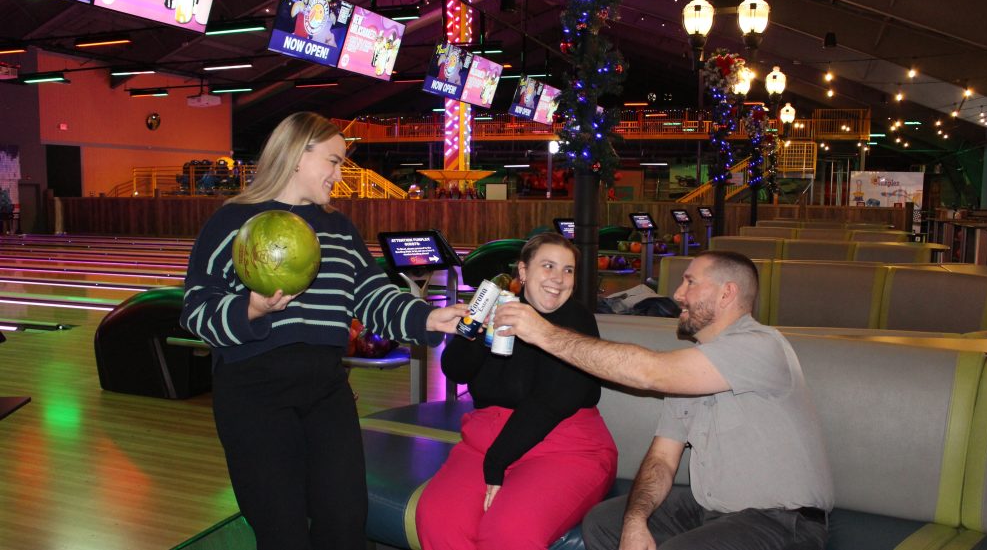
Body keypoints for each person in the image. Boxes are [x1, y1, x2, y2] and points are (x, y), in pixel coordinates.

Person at [180, 112, 468, 550]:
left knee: (346, 522)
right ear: (297, 155)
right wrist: (250, 308)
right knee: (283, 532)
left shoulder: (338, 228)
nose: (340, 174)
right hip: (254, 392)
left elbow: (372, 295)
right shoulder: (232, 223)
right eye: (333, 161)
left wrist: (426, 317)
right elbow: (195, 309)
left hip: (325, 390)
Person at [493, 250, 833, 550]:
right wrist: (635, 522)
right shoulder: (692, 368)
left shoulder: (760, 345)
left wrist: (542, 333)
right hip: (711, 512)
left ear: (727, 293)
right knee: (605, 522)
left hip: (782, 522)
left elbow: (647, 372)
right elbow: (662, 460)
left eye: (690, 282)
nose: (677, 294)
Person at [416, 233, 618, 550]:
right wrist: (476, 330)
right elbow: (455, 371)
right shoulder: (503, 310)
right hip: (486, 440)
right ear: (522, 272)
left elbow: (552, 402)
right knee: (438, 520)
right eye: (548, 266)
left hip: (565, 446)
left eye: (568, 270)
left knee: (508, 533)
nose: (559, 279)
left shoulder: (576, 320)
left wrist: (496, 464)